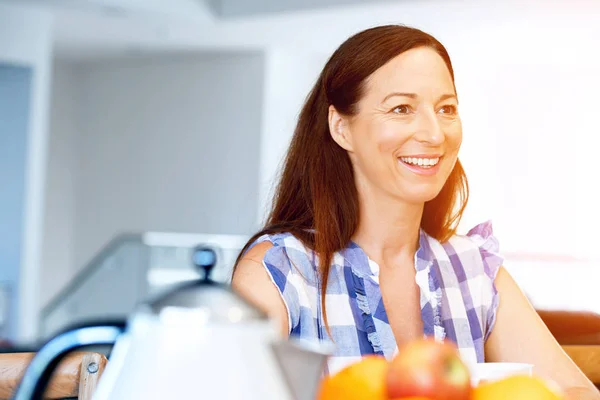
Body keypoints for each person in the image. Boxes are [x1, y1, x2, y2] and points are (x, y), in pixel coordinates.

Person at [231, 25, 599, 398]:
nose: (435, 134)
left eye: (446, 109)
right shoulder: (278, 272)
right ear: (341, 128)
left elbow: (579, 392)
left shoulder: (474, 270)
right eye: (402, 108)